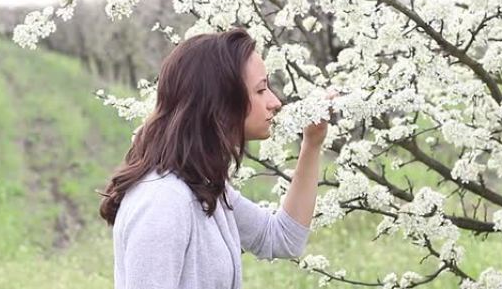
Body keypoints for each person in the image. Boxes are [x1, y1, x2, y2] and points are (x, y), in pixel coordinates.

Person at [98, 27, 334, 289]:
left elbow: (280, 238)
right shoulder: (163, 202)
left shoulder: (202, 184)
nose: (275, 102)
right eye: (260, 90)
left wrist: (312, 143)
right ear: (220, 101)